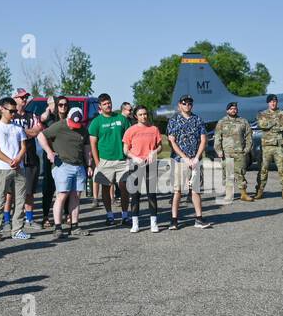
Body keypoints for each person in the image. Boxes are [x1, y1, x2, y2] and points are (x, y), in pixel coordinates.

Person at [38, 106, 92, 238]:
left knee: (76, 196)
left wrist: (89, 165)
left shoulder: (83, 130)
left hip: (79, 166)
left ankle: (75, 226)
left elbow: (87, 148)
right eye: (72, 123)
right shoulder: (59, 126)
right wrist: (49, 152)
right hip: (62, 165)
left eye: (77, 124)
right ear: (68, 118)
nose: (74, 127)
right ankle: (58, 228)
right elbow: (41, 135)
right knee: (62, 195)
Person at [0, 97, 31, 242]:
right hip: (2, 168)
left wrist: (18, 159)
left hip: (19, 168)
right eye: (11, 111)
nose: (13, 114)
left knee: (20, 200)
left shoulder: (18, 128)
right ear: (1, 109)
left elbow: (23, 147)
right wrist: (9, 161)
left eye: (15, 111)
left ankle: (17, 229)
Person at [166, 94, 211, 229]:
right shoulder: (174, 120)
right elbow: (172, 141)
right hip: (180, 160)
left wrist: (196, 157)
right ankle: (174, 220)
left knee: (195, 190)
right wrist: (184, 158)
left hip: (195, 159)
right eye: (184, 103)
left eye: (190, 103)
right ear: (179, 105)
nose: (187, 105)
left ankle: (199, 218)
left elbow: (203, 139)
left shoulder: (198, 119)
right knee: (177, 190)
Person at [89, 93, 131, 225]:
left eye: (109, 103)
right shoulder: (96, 122)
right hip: (105, 160)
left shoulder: (121, 119)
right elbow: (93, 144)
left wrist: (129, 156)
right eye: (105, 104)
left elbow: (130, 138)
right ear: (100, 107)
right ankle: (109, 215)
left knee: (124, 187)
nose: (108, 105)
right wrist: (97, 163)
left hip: (122, 160)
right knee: (106, 188)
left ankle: (125, 215)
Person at [123, 104, 163, 232]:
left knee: (152, 194)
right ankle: (135, 223)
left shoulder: (154, 129)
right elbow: (125, 150)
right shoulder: (130, 130)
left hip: (150, 164)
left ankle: (154, 223)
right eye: (140, 114)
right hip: (135, 164)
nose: (143, 116)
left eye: (145, 114)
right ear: (136, 116)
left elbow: (160, 146)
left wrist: (154, 152)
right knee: (135, 194)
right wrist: (134, 157)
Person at [12, 88, 44, 232]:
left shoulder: (32, 115)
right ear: (15, 98)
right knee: (12, 192)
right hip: (14, 157)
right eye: (21, 97)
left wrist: (20, 131)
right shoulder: (10, 116)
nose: (24, 100)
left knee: (29, 191)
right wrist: (28, 132)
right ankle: (9, 219)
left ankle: (29, 219)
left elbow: (37, 131)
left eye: (26, 97)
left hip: (30, 157)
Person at [214, 101, 253, 203]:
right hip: (226, 153)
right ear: (227, 110)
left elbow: (249, 136)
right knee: (228, 174)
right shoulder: (222, 122)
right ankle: (229, 195)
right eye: (231, 109)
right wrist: (218, 150)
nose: (233, 110)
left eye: (235, 108)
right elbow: (217, 137)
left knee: (241, 173)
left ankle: (243, 194)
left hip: (240, 152)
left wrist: (247, 149)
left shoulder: (243, 121)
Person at [39, 96, 69, 227]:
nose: (63, 107)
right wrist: (48, 108)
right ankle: (45, 216)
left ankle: (67, 214)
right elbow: (42, 119)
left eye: (65, 105)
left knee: (66, 186)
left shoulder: (69, 118)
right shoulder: (50, 118)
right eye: (60, 105)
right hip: (51, 157)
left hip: (66, 156)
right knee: (49, 187)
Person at [254, 94, 283, 200]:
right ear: (268, 103)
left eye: (275, 101)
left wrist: (269, 124)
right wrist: (275, 123)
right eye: (271, 101)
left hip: (279, 146)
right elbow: (262, 125)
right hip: (267, 146)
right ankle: (260, 190)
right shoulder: (262, 114)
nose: (273, 103)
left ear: (277, 102)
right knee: (263, 169)